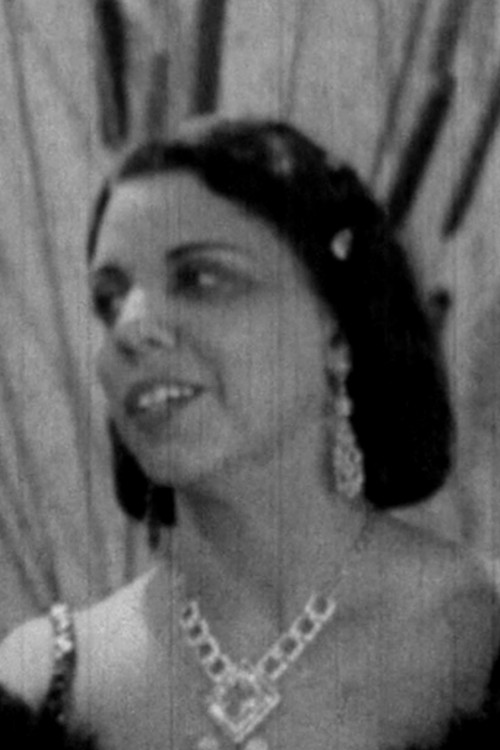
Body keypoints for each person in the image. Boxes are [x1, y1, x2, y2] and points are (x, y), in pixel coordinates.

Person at [0, 118, 499, 750]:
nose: (129, 328)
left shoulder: (483, 633)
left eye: (202, 279)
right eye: (109, 299)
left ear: (338, 329)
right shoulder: (46, 682)